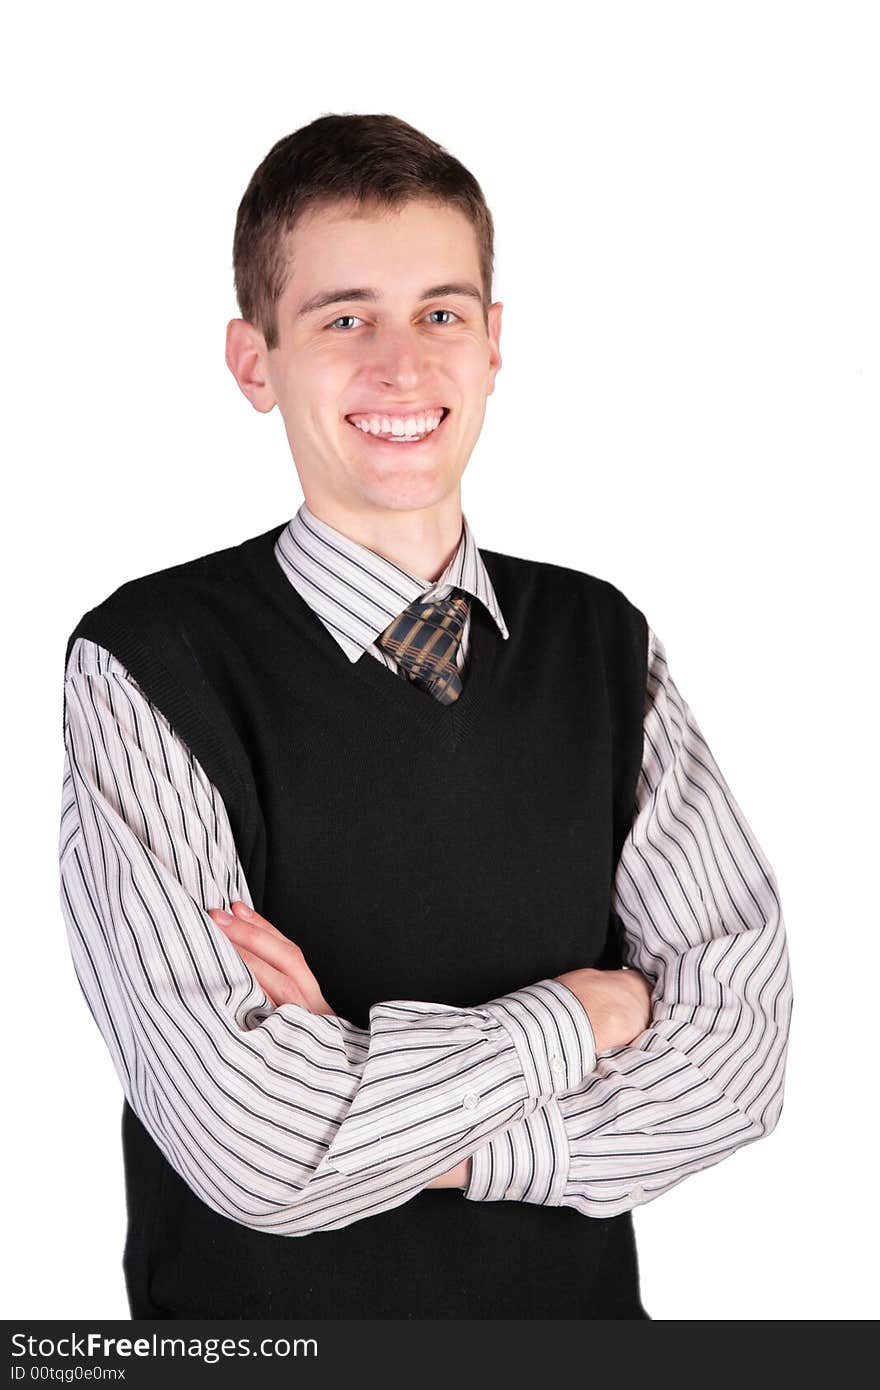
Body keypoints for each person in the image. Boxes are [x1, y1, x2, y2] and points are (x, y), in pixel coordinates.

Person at [59, 112, 794, 1320]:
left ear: (494, 344)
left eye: (441, 313)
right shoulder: (145, 662)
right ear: (256, 362)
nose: (402, 368)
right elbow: (255, 1146)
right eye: (345, 318)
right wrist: (589, 1012)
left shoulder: (605, 645)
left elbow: (737, 1064)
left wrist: (390, 1116)